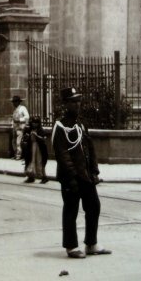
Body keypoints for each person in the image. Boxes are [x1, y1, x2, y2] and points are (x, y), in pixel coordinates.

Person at [52, 86, 112, 259]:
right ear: (65, 104)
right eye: (73, 102)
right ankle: (71, 247)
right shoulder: (60, 127)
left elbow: (89, 148)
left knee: (94, 206)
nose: (77, 105)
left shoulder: (80, 124)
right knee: (71, 210)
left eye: (78, 101)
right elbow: (63, 155)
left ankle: (91, 243)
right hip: (71, 177)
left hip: (85, 176)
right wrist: (71, 178)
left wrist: (94, 170)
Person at [21, 116, 48, 183]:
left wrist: (36, 136)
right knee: (30, 161)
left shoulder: (41, 130)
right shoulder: (29, 129)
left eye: (36, 122)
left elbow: (44, 139)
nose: (34, 124)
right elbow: (25, 138)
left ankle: (44, 177)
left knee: (39, 162)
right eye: (33, 122)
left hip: (39, 148)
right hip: (30, 148)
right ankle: (31, 177)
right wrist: (26, 137)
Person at [11, 95, 29, 160]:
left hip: (20, 127)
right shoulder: (15, 110)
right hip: (15, 127)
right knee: (13, 141)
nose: (14, 103)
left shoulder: (22, 108)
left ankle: (19, 155)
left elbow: (27, 117)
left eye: (15, 102)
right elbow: (13, 119)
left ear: (18, 102)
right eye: (13, 102)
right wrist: (12, 126)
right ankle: (16, 154)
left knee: (18, 142)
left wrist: (19, 120)